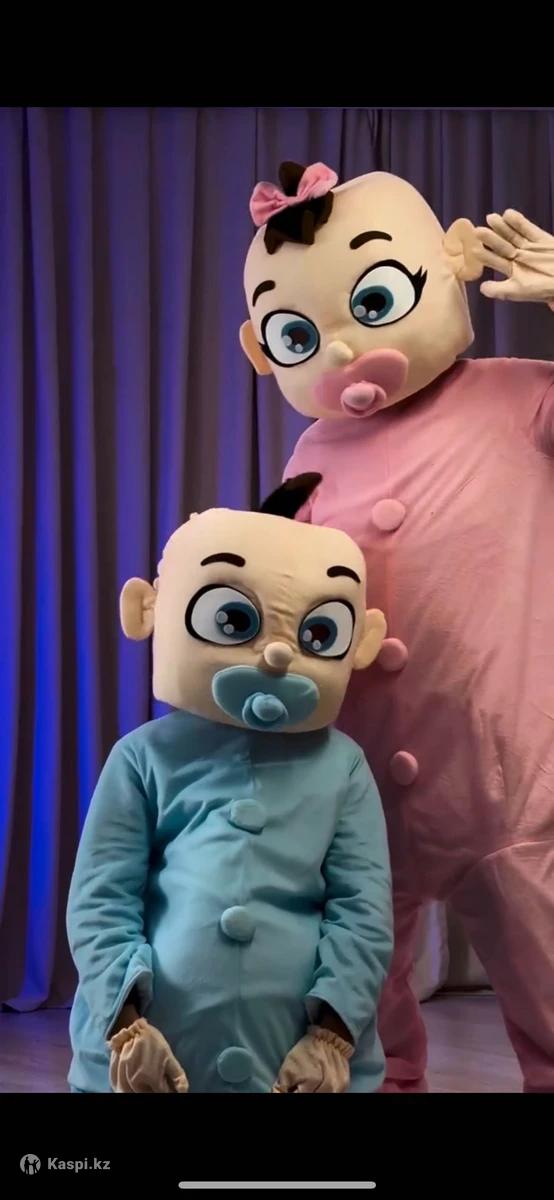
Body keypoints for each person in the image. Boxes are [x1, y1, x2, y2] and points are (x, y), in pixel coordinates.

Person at [240, 161, 554, 1093]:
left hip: (504, 774)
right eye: (299, 335)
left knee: (545, 972)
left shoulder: (519, 396)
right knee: (355, 992)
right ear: (262, 348)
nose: (340, 350)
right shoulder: (310, 451)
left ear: (449, 262)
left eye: (373, 300)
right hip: (357, 776)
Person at [66, 475, 392, 1094]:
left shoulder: (344, 766)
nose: (276, 655)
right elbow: (101, 899)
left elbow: (362, 910)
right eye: (235, 620)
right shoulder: (142, 756)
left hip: (295, 1058)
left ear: (361, 641)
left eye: (318, 634)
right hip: (155, 1055)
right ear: (148, 610)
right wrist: (124, 1021)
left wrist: (333, 1031)